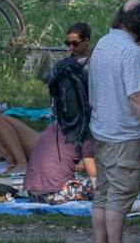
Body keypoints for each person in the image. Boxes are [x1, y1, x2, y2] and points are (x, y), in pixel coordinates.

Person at [87, 1, 140, 243]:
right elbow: (136, 97)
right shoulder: (130, 51)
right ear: (139, 21)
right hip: (122, 133)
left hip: (101, 129)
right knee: (120, 195)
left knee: (104, 193)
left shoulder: (103, 43)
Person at [27, 23, 97, 201]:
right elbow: (94, 175)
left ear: (87, 41)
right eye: (68, 43)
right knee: (104, 186)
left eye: (75, 43)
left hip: (31, 192)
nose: (71, 48)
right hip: (54, 193)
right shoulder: (83, 131)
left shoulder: (51, 129)